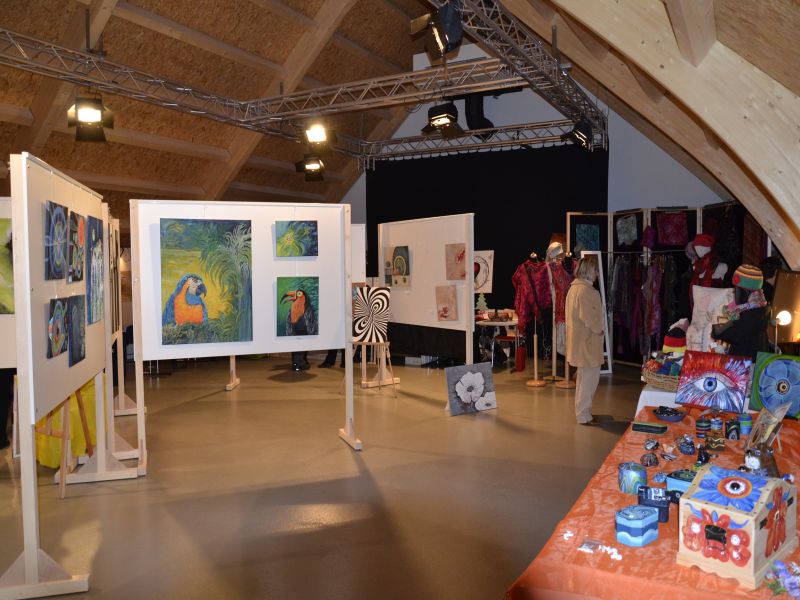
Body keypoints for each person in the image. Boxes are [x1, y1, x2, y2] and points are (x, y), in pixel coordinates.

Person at [565, 256, 605, 426]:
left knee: (584, 380)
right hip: (588, 343)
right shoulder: (587, 291)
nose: (597, 273)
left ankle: (583, 412)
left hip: (580, 342)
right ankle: (584, 415)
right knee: (588, 380)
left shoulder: (574, 289)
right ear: (589, 271)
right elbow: (588, 317)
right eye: (595, 270)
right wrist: (599, 329)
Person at [711, 264, 770, 361]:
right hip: (750, 360)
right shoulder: (759, 307)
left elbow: (729, 333)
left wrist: (715, 329)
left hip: (746, 365)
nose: (734, 293)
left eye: (737, 290)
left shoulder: (751, 315)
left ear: (746, 292)